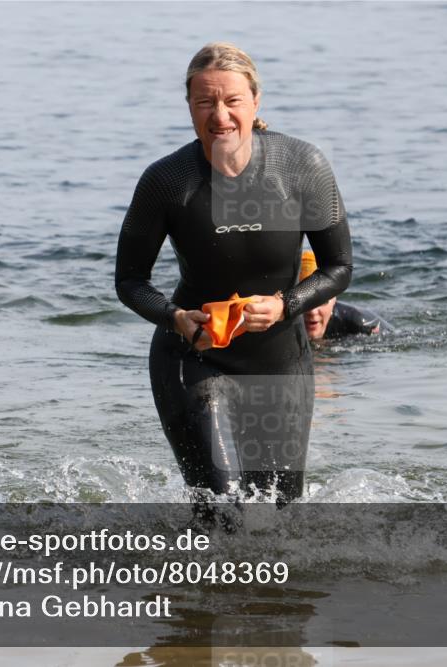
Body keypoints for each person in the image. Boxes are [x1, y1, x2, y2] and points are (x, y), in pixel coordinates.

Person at [114, 42, 352, 508]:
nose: (219, 115)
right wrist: (176, 317)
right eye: (205, 102)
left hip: (281, 362)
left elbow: (338, 267)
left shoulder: (302, 167)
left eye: (232, 101)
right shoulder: (167, 180)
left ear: (255, 101)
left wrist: (286, 304)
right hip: (196, 357)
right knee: (223, 507)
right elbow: (130, 281)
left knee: (282, 517)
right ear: (188, 106)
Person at [299, 250, 392, 340]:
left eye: (322, 301)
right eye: (304, 300)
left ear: (334, 299)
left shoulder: (361, 325)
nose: (312, 311)